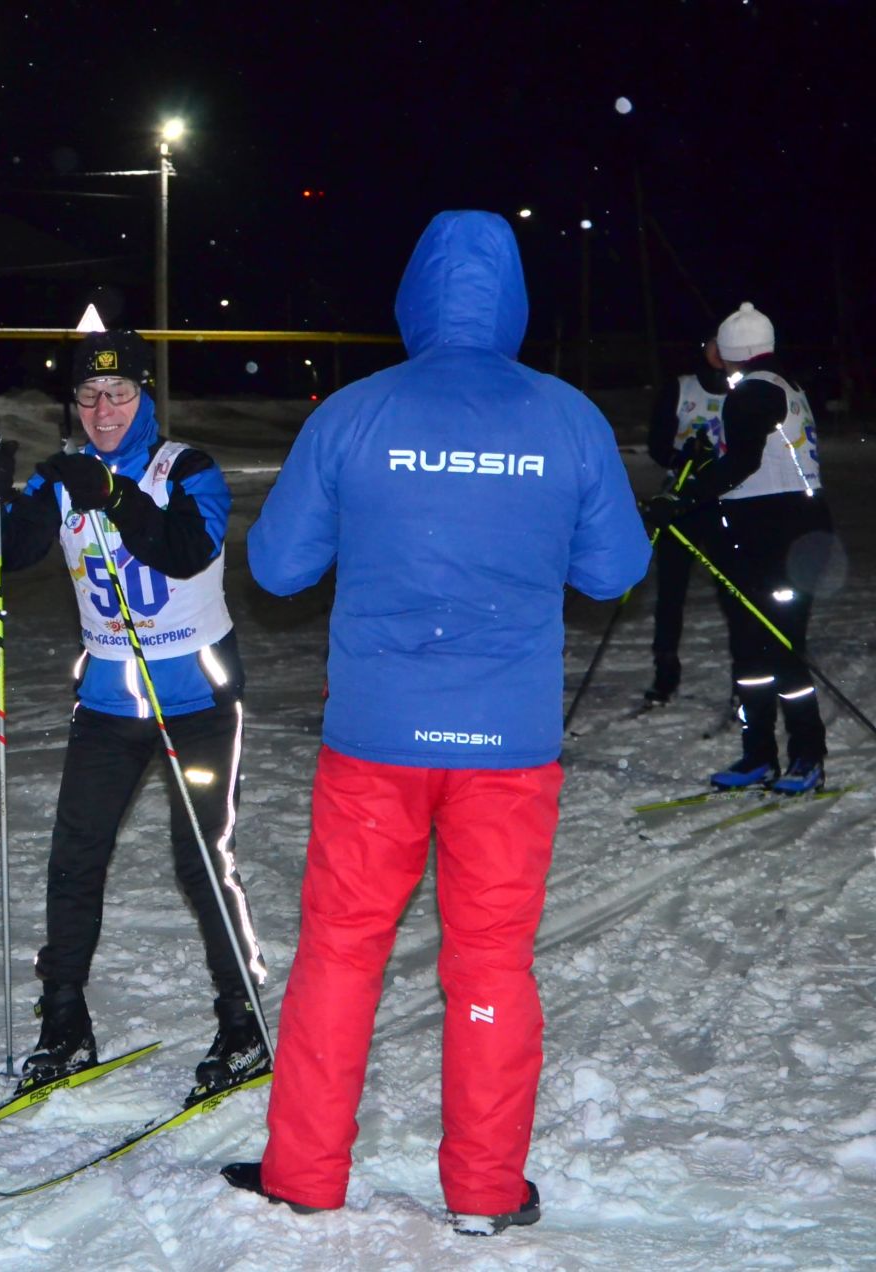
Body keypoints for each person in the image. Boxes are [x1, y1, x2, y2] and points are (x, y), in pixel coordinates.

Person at [221, 211, 650, 1235]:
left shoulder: (356, 414)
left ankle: (305, 1173)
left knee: (341, 951)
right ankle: (487, 1193)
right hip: (507, 750)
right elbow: (617, 569)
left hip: (375, 741)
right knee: (492, 960)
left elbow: (278, 567)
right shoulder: (567, 417)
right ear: (513, 300)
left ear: (415, 294)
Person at [0, 328, 269, 1101]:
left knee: (201, 863)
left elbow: (185, 550)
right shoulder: (61, 477)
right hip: (107, 704)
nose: (103, 410)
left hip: (195, 701)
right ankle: (64, 1020)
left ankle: (242, 1022)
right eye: (88, 397)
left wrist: (117, 496)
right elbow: (6, 553)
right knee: (75, 858)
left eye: (119, 394)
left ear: (145, 397)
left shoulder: (185, 468)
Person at [644, 302, 834, 793]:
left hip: (785, 538)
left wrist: (682, 499)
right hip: (762, 535)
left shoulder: (752, 392)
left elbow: (744, 463)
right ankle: (758, 755)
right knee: (750, 650)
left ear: (732, 354)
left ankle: (807, 755)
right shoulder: (781, 387)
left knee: (782, 649)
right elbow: (749, 459)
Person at [640, 339, 729, 704]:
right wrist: (682, 455)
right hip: (680, 503)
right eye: (714, 344)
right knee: (670, 592)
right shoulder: (682, 387)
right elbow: (657, 445)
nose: (720, 352)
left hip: (725, 504)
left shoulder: (746, 389)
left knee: (733, 590)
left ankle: (748, 673)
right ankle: (665, 670)